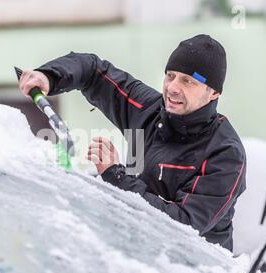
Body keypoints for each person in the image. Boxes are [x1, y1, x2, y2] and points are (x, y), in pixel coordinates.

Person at [18, 34, 246, 251]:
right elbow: (94, 71)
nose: (173, 88)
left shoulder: (225, 153)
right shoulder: (149, 110)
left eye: (187, 81)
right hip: (137, 259)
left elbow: (184, 227)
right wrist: (49, 76)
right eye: (170, 76)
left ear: (213, 93)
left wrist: (115, 175)